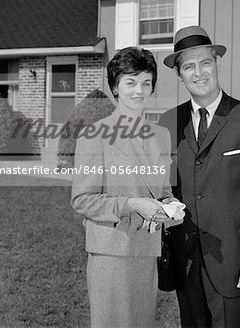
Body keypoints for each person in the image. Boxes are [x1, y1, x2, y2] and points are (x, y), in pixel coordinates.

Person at [159, 26, 240, 328]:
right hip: (185, 260)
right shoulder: (168, 122)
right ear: (179, 74)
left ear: (217, 63)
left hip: (236, 263)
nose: (198, 73)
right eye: (188, 66)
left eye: (205, 63)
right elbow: (162, 187)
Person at [71, 47, 181, 328]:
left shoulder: (161, 135)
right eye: (130, 82)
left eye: (146, 82)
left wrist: (171, 209)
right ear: (115, 87)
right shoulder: (94, 134)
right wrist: (130, 204)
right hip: (110, 254)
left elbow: (163, 190)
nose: (139, 90)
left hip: (146, 253)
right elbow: (83, 199)